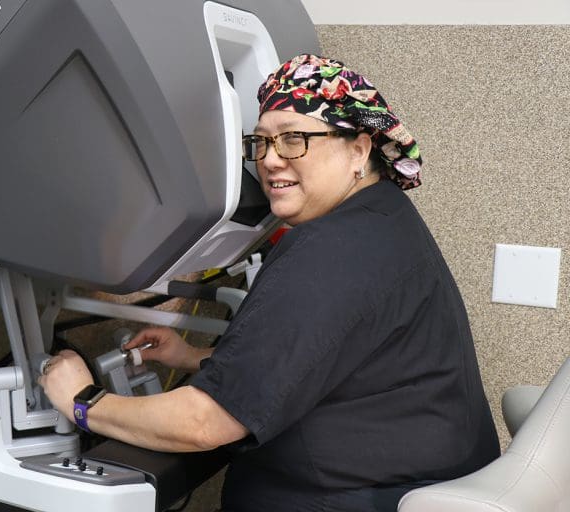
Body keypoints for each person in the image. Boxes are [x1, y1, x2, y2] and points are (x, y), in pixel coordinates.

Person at [39, 54, 500, 512]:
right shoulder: (383, 218)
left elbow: (204, 424)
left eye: (294, 139)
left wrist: (82, 401)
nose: (271, 161)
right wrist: (195, 357)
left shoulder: (332, 249)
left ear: (359, 150)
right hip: (413, 481)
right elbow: (326, 355)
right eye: (260, 143)